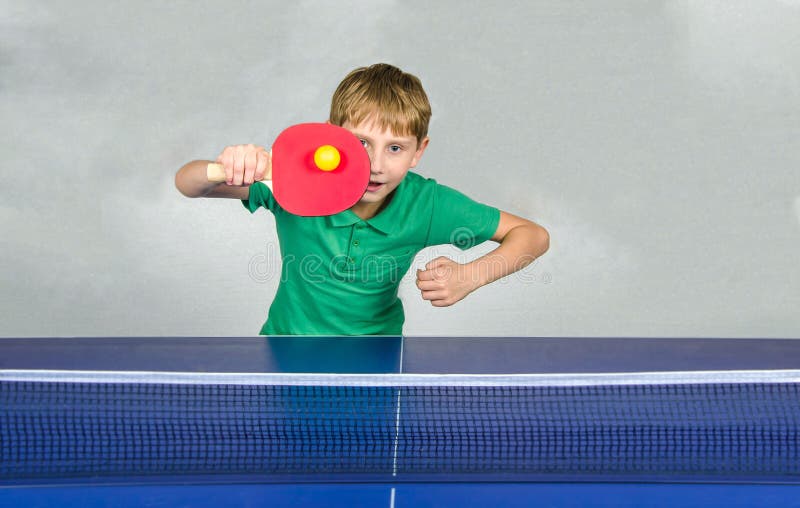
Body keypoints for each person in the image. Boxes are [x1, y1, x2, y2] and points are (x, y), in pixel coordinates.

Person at [175, 63, 549, 335]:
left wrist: (471, 275)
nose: (376, 165)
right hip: (285, 350)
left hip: (376, 362)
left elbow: (533, 235)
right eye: (361, 143)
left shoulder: (426, 204)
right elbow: (187, 183)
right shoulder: (294, 180)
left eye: (395, 148)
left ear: (418, 152)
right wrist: (226, 167)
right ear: (331, 138)